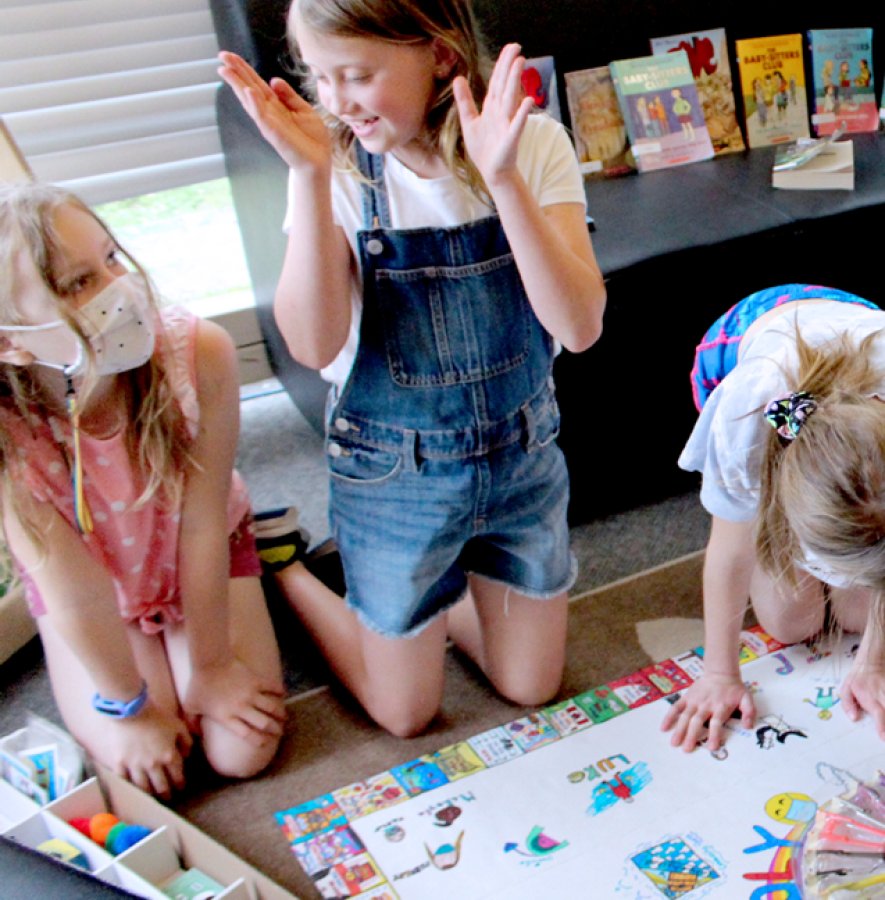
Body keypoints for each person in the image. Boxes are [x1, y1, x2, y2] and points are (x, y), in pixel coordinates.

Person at [214, 0, 605, 738]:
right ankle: (288, 565)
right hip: (392, 476)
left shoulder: (536, 144)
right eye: (319, 78)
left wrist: (505, 182)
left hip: (520, 462)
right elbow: (313, 342)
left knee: (530, 686)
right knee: (405, 714)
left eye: (357, 76)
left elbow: (579, 328)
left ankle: (438, 591)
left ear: (443, 57)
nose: (334, 102)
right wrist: (306, 173)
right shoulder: (337, 166)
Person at [0, 183, 306, 796]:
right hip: (96, 590)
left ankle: (277, 562)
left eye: (111, 259)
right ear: (11, 339)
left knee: (241, 750)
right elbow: (72, 586)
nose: (118, 289)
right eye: (77, 284)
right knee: (147, 772)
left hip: (198, 550)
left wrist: (215, 667)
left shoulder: (198, 353)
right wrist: (129, 709)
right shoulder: (10, 430)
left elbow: (200, 524)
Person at [666, 284, 885, 752]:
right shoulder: (747, 411)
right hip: (740, 343)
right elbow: (729, 547)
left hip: (855, 342)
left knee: (864, 612)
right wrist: (720, 673)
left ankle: (847, 568)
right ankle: (818, 558)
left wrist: (876, 663)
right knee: (790, 624)